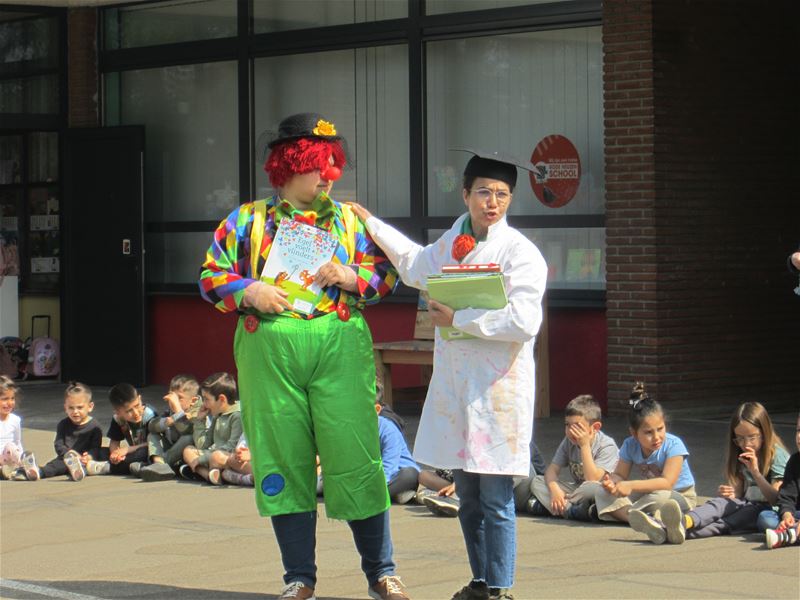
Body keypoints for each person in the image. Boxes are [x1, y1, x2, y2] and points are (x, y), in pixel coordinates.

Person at [199, 112, 406, 600]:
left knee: (357, 457)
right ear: (289, 165)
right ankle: (299, 578)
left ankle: (382, 572)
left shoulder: (351, 220)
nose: (328, 176)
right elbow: (210, 277)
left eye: (332, 165)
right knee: (283, 461)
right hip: (270, 353)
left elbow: (388, 274)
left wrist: (351, 277)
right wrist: (250, 292)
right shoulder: (246, 220)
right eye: (318, 165)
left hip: (339, 349)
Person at [349, 147, 548, 600]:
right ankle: (480, 581)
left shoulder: (521, 253)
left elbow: (524, 321)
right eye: (483, 192)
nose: (492, 202)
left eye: (502, 194)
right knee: (469, 498)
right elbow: (413, 264)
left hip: (498, 390)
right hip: (458, 389)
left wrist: (459, 318)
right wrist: (372, 224)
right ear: (465, 194)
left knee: (496, 497)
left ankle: (500, 588)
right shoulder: (451, 242)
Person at [632, 401, 789, 545]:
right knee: (720, 504)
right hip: (747, 504)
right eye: (740, 439)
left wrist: (756, 473)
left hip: (767, 510)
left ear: (764, 432)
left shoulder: (777, 455)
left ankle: (669, 529)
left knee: (724, 523)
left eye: (752, 437)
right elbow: (741, 494)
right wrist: (732, 493)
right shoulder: (741, 452)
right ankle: (677, 525)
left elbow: (776, 499)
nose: (746, 444)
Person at [596, 383, 697, 537]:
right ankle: (647, 520)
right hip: (647, 494)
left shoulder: (674, 445)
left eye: (660, 429)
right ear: (634, 433)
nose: (656, 437)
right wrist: (611, 482)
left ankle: (632, 516)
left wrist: (631, 485)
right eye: (648, 432)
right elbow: (620, 475)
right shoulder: (630, 444)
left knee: (662, 497)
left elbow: (667, 483)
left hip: (679, 495)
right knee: (601, 492)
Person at [529, 394, 619, 520]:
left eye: (577, 426)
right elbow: (552, 470)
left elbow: (592, 479)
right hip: (577, 490)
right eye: (567, 425)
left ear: (595, 427)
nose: (570, 431)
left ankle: (562, 508)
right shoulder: (569, 441)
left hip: (598, 490)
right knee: (537, 481)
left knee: (591, 488)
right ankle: (572, 510)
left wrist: (584, 446)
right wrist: (555, 490)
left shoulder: (607, 445)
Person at [23, 382, 102, 481]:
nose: (75, 412)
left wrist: (89, 456)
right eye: (71, 408)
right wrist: (68, 453)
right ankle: (37, 472)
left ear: (90, 406)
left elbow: (96, 447)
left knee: (91, 465)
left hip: (84, 460)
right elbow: (58, 445)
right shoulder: (63, 424)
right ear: (65, 408)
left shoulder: (94, 426)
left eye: (80, 407)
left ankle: (79, 471)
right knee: (54, 466)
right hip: (65, 458)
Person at [181, 372, 242, 485]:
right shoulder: (217, 415)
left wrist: (202, 459)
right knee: (188, 450)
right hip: (212, 455)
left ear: (222, 399)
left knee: (215, 457)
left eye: (206, 399)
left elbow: (231, 447)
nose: (204, 404)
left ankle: (203, 472)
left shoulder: (237, 416)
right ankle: (210, 476)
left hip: (227, 457)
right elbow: (202, 445)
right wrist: (199, 421)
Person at [140, 374, 203, 481]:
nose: (173, 401)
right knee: (153, 435)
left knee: (188, 438)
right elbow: (151, 426)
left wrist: (178, 412)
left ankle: (162, 465)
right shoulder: (170, 412)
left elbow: (188, 431)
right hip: (173, 450)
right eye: (172, 396)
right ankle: (158, 464)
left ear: (193, 401)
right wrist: (165, 423)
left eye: (179, 398)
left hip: (191, 453)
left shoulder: (200, 411)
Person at [85, 383, 157, 476]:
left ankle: (107, 467)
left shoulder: (150, 415)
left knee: (144, 452)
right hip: (132, 452)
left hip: (148, 451)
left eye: (137, 405)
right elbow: (114, 442)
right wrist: (115, 455)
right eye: (129, 411)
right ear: (118, 412)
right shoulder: (118, 419)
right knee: (101, 452)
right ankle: (84, 463)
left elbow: (154, 443)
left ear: (140, 399)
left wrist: (127, 450)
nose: (135, 413)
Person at [762, 412, 800, 549]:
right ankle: (792, 532)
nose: (799, 436)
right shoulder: (794, 461)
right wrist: (787, 516)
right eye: (798, 430)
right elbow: (787, 497)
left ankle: (787, 536)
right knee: (765, 518)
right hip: (798, 514)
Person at [0, 375, 28, 480]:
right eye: (4, 399)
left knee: (11, 446)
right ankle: (4, 471)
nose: (9, 403)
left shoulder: (15, 420)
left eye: (12, 398)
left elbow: (17, 442)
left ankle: (24, 467)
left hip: (9, 457)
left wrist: (20, 456)